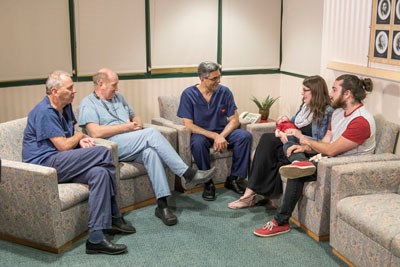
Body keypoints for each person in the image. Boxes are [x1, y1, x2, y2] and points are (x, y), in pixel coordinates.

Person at [78, 68, 215, 227]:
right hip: (111, 145)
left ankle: (162, 205)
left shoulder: (118, 97)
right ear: (100, 84)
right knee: (150, 134)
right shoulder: (88, 103)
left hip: (130, 140)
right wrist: (126, 127)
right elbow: (95, 132)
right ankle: (187, 173)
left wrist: (137, 124)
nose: (117, 88)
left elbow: (134, 115)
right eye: (114, 85)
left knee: (151, 153)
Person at [22, 70, 135, 255]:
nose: (74, 91)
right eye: (70, 88)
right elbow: (64, 146)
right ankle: (115, 214)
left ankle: (96, 237)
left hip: (60, 161)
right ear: (54, 91)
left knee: (100, 173)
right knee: (102, 152)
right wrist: (81, 135)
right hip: (43, 166)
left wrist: (78, 139)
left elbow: (68, 137)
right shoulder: (44, 111)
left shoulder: (65, 107)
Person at [253, 74, 375, 237]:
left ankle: (281, 222)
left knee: (297, 172)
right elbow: (325, 142)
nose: (330, 94)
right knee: (289, 146)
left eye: (334, 90)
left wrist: (303, 139)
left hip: (344, 167)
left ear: (347, 94)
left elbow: (331, 150)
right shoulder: (339, 113)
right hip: (326, 158)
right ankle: (300, 162)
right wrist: (303, 147)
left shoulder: (360, 121)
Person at [228, 75, 333, 209]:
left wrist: (298, 135)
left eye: (305, 90)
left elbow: (321, 142)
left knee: (268, 147)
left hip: (305, 150)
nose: (302, 93)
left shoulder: (327, 112)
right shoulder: (305, 107)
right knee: (267, 141)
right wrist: (284, 123)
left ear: (315, 91)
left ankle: (249, 195)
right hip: (292, 142)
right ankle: (251, 194)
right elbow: (292, 122)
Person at [177, 61, 252, 201]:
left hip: (222, 132)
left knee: (244, 136)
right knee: (197, 143)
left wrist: (221, 136)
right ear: (202, 78)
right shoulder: (188, 94)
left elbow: (235, 120)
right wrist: (214, 135)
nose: (218, 81)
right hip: (202, 134)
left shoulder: (224, 92)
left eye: (219, 77)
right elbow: (188, 125)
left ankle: (233, 179)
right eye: (214, 79)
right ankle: (208, 183)